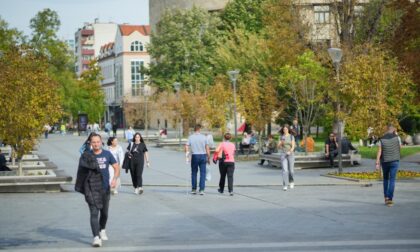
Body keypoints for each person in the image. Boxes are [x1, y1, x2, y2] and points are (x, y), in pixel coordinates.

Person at [75, 133, 120, 247]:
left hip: (105, 188)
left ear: (101, 142)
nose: (95, 144)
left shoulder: (107, 154)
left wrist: (114, 179)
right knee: (94, 213)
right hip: (91, 189)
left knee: (104, 213)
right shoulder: (86, 156)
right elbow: (80, 173)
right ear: (90, 143)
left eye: (97, 142)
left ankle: (102, 229)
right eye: (93, 142)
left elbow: (116, 167)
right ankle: (96, 237)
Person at [375, 124, 401, 207]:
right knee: (392, 180)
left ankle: (386, 197)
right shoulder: (397, 138)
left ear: (387, 130)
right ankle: (390, 199)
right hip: (394, 161)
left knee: (385, 179)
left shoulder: (381, 139)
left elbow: (379, 151)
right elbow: (400, 147)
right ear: (394, 130)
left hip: (385, 161)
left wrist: (377, 163)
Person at [185, 124, 210, 195]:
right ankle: (201, 189)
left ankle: (194, 189)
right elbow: (207, 148)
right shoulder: (204, 137)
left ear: (194, 129)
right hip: (203, 155)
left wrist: (187, 156)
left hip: (195, 155)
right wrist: (208, 157)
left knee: (194, 172)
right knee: (203, 173)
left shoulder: (190, 137)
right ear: (199, 129)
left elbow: (186, 146)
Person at [278, 124, 296, 191]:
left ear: (288, 129)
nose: (285, 130)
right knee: (285, 170)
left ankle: (291, 181)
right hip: (283, 154)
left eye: (286, 129)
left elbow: (293, 146)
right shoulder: (281, 137)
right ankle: (285, 185)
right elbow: (278, 146)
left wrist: (290, 151)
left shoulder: (291, 136)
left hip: (290, 154)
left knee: (291, 171)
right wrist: (281, 142)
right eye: (284, 129)